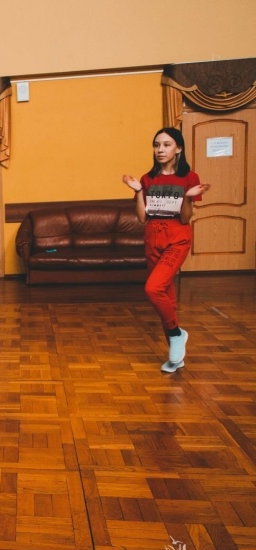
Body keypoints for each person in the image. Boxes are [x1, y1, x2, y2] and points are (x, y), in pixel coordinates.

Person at [122, 127, 209, 373]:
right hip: (152, 237)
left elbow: (185, 218)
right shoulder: (147, 178)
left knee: (153, 288)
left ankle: (176, 334)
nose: (160, 150)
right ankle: (176, 357)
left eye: (167, 145)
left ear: (178, 148)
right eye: (157, 145)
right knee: (166, 296)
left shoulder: (189, 177)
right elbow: (142, 218)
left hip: (177, 238)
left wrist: (188, 197)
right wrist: (139, 190)